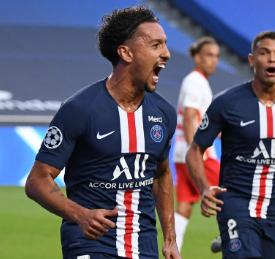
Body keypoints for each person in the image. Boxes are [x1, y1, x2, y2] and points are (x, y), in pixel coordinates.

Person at [24, 7, 181, 259]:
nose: (167, 53)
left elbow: (161, 175)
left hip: (144, 247)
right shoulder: (79, 109)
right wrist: (81, 215)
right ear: (126, 52)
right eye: (156, 45)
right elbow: (37, 181)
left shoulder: (164, 113)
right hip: (90, 244)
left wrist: (171, 239)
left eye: (165, 44)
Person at [186, 31, 275, 259]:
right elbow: (195, 149)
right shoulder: (227, 103)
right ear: (252, 60)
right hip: (235, 203)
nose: (272, 59)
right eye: (264, 53)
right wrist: (204, 187)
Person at [172, 37, 221, 251]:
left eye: (216, 56)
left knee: (184, 205)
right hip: (197, 153)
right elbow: (191, 115)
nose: (214, 60)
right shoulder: (195, 81)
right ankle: (229, 235)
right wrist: (197, 150)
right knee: (233, 191)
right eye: (209, 55)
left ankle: (173, 248)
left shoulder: (196, 81)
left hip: (181, 153)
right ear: (197, 57)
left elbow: (197, 117)